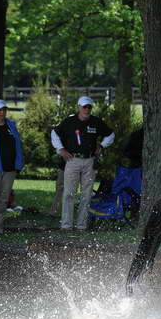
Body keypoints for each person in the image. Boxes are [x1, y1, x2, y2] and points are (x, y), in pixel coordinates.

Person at [51, 96, 115, 231]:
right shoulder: (69, 121)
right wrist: (61, 149)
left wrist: (102, 146)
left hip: (90, 161)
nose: (87, 109)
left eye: (89, 107)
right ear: (78, 107)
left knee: (86, 194)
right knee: (69, 194)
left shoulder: (96, 122)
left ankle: (81, 225)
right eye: (84, 107)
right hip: (72, 160)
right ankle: (66, 225)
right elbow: (54, 133)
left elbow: (111, 135)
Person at [0, 99, 24, 236]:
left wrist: (19, 164)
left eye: (3, 110)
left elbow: (18, 146)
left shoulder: (11, 126)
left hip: (9, 169)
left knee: (3, 200)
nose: (1, 113)